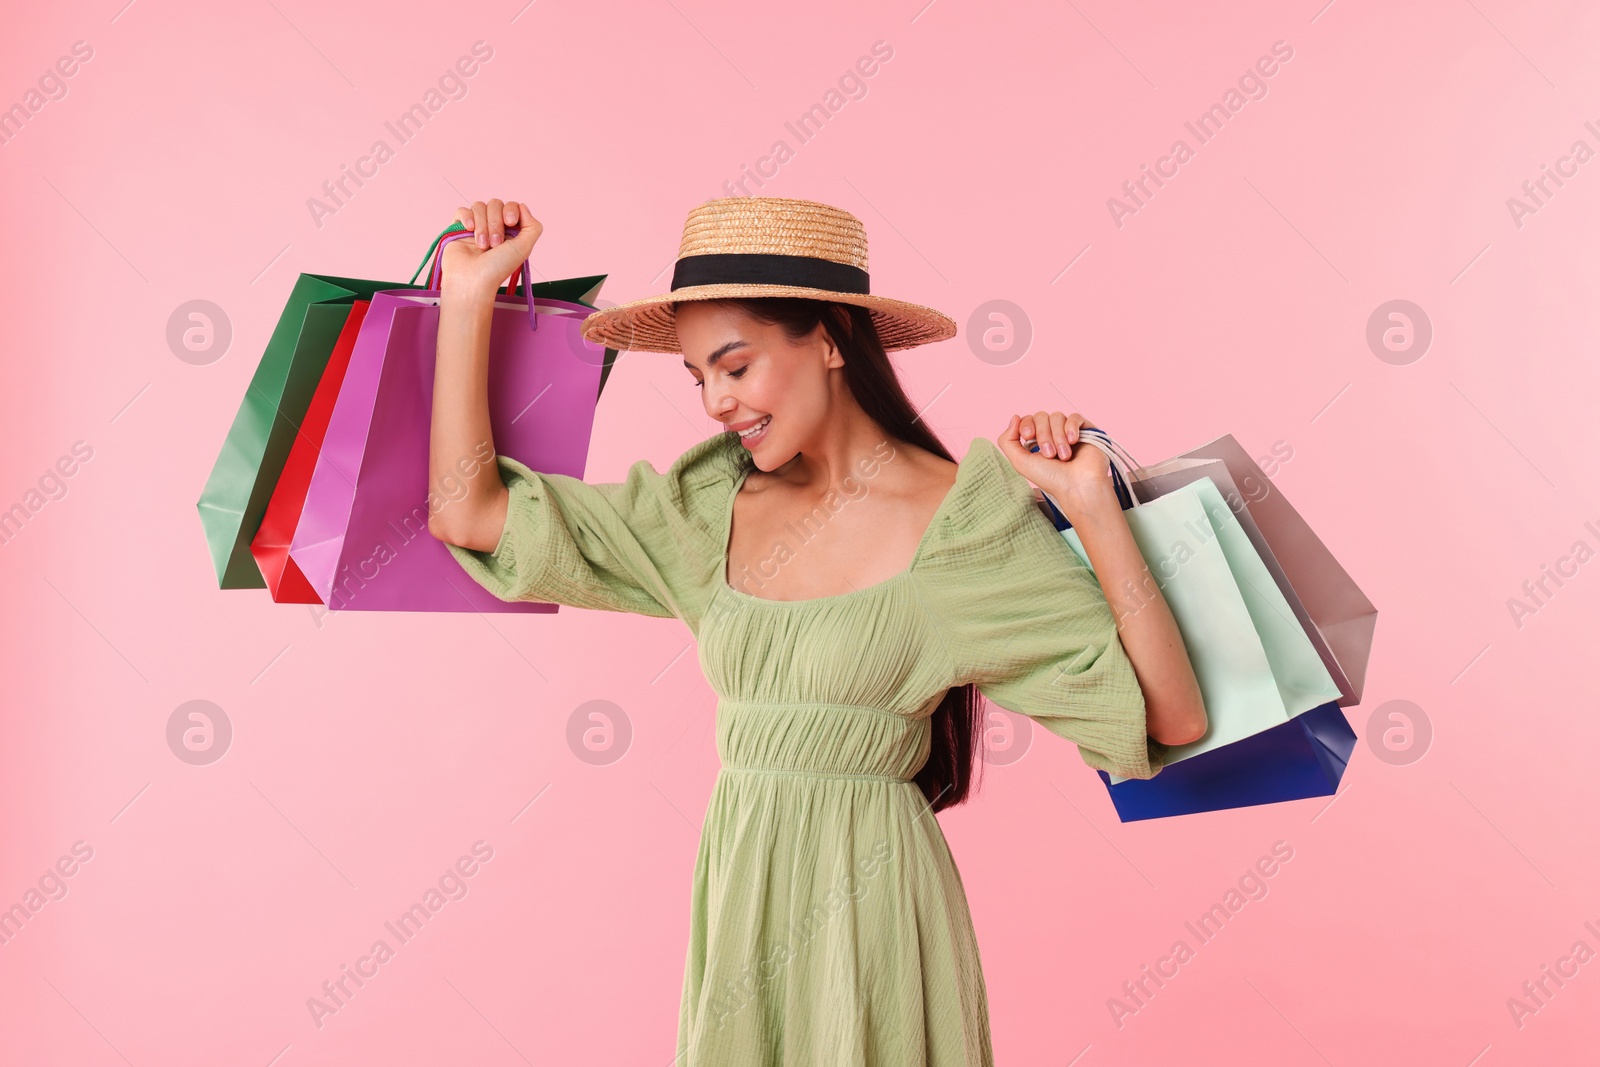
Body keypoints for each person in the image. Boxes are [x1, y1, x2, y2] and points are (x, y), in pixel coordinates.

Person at [428, 195, 1205, 1065]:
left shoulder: (962, 525)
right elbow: (470, 510)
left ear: (830, 340)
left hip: (875, 922)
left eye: (735, 365)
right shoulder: (705, 508)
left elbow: (1171, 720)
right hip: (740, 913)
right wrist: (468, 300)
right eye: (698, 377)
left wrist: (1092, 506)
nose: (716, 401)